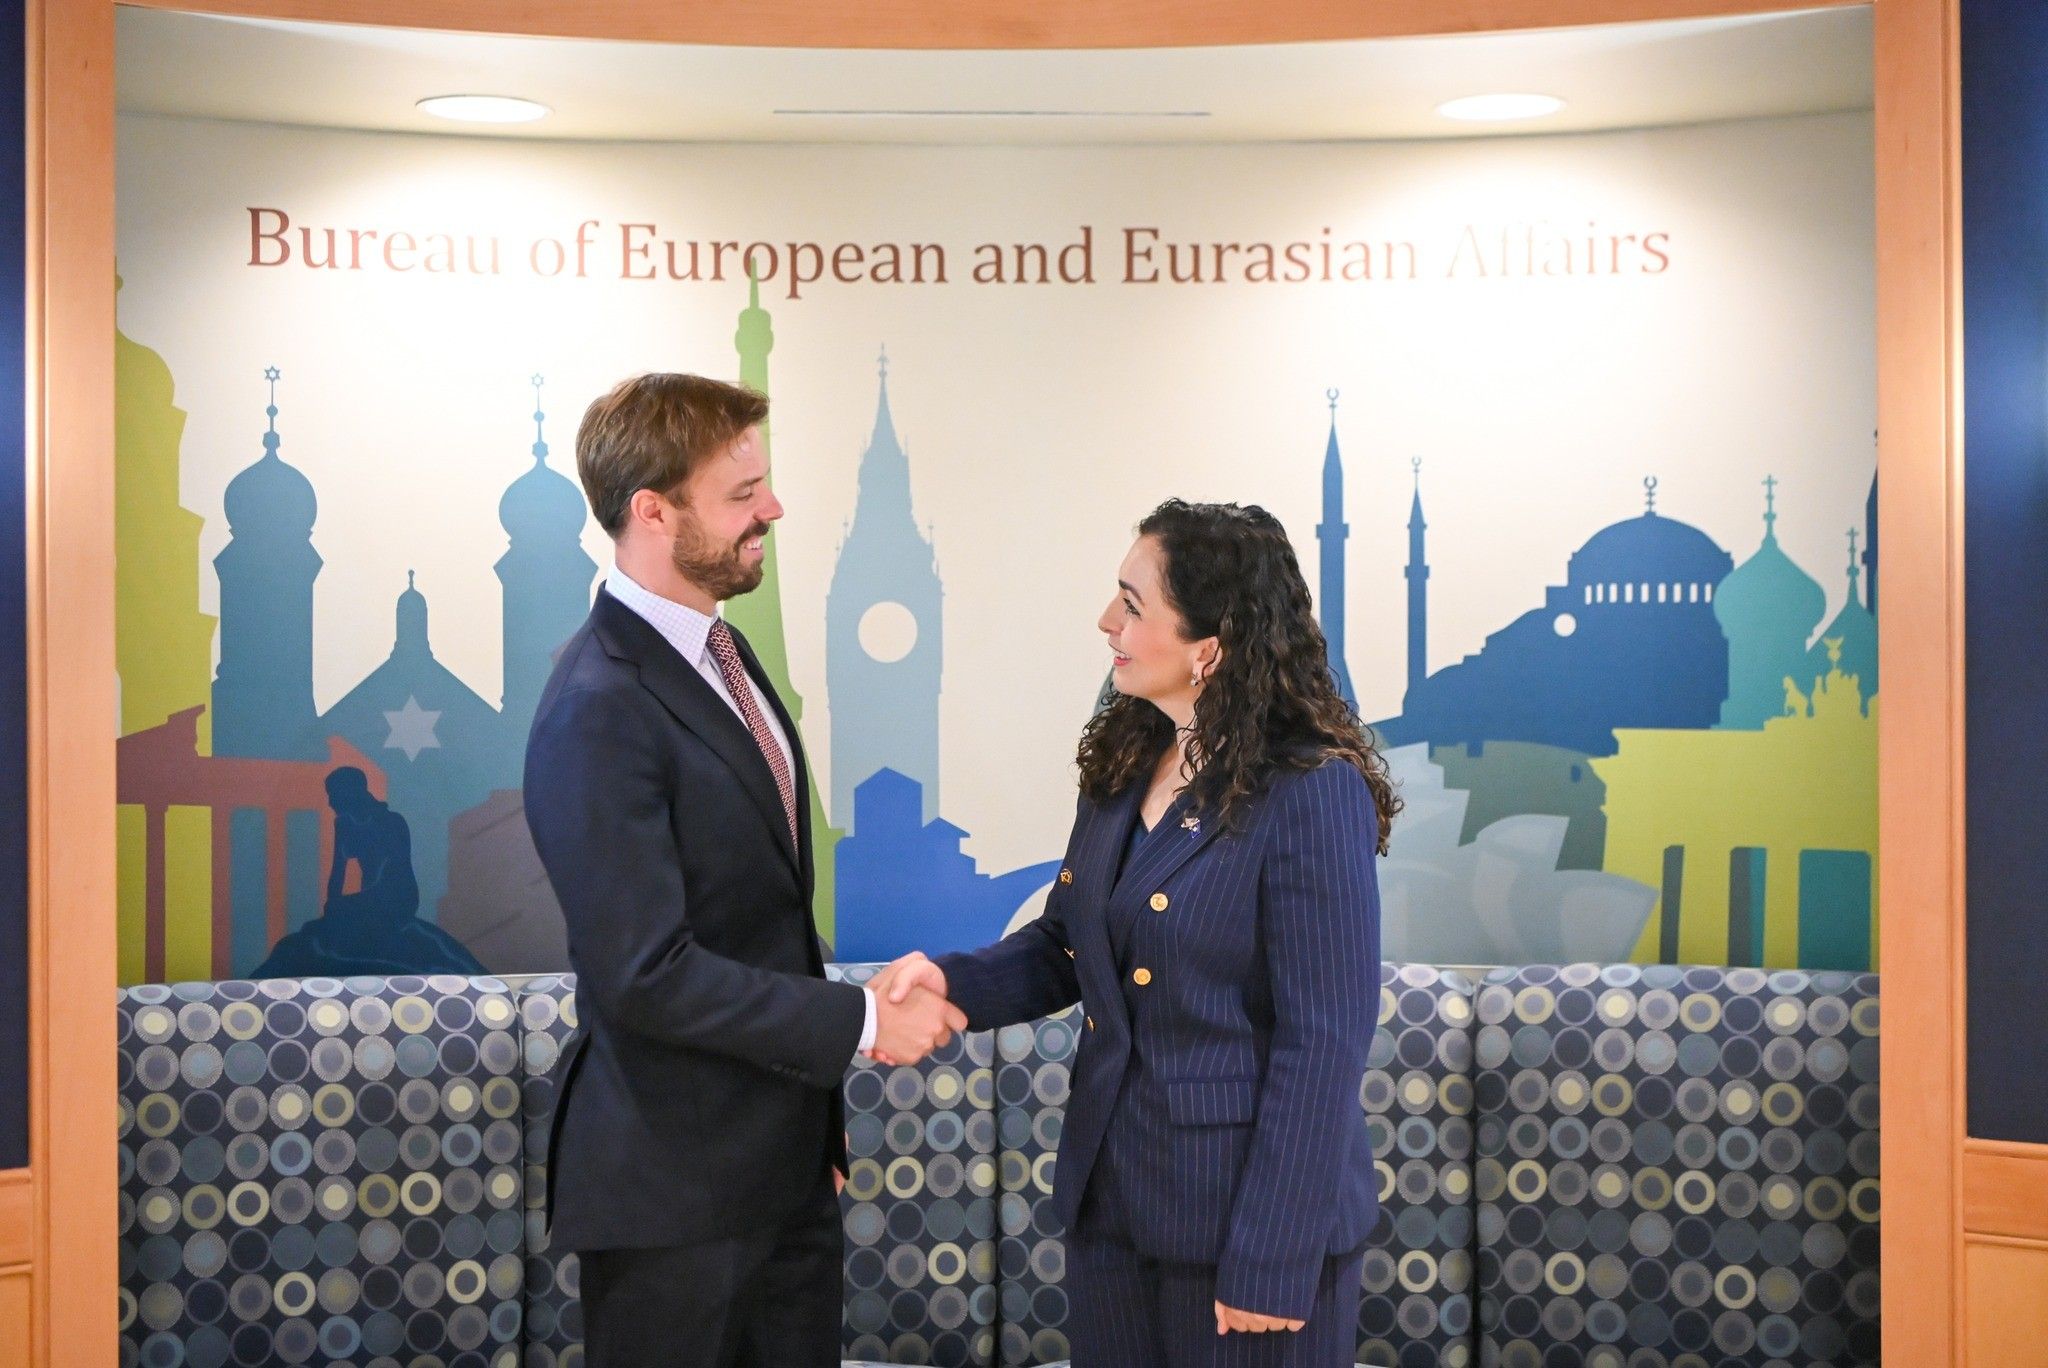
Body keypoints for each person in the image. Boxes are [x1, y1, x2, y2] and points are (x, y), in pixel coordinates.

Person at [873, 498, 1400, 1367]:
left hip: (1245, 1234)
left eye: (1131, 604)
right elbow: (1068, 945)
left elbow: (1324, 1041)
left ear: (1208, 647)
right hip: (1112, 1208)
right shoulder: (1125, 762)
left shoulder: (1312, 791)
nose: (1105, 622)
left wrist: (1271, 1259)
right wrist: (952, 984)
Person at [522, 372, 967, 1368]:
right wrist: (860, 1023)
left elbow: (759, 916)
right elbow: (645, 974)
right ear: (652, 511)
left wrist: (813, 1142)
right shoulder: (599, 703)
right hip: (673, 1199)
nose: (773, 508)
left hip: (781, 1177)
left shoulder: (719, 649)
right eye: (741, 494)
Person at [250, 765, 485, 979]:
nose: (331, 802)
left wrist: (351, 904)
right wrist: (333, 904)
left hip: (396, 897)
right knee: (323, 925)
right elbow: (338, 872)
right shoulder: (344, 824)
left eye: (334, 794)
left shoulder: (391, 822)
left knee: (350, 916)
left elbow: (386, 874)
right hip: (367, 898)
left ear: (351, 792)